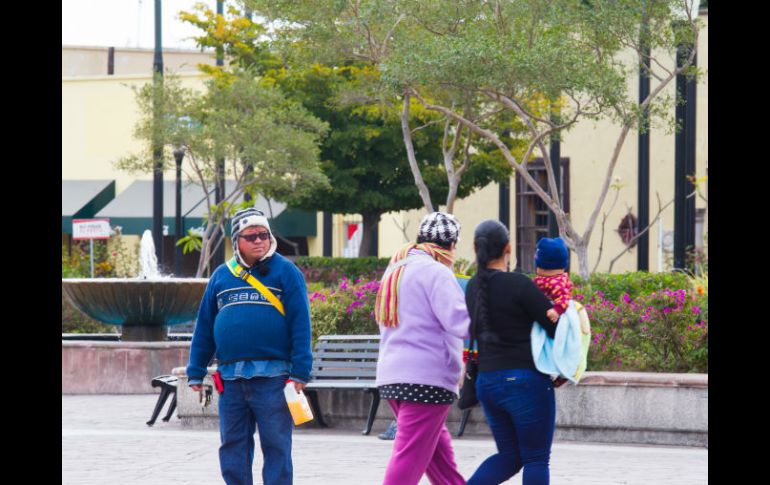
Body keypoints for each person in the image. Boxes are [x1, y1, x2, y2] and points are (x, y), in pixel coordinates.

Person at [186, 207, 312, 485]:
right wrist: (195, 370)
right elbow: (205, 326)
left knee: (277, 446)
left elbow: (301, 323)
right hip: (230, 380)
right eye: (251, 236)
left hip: (274, 379)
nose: (259, 240)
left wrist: (301, 371)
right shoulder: (221, 276)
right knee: (232, 446)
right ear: (236, 241)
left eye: (263, 235)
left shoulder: (286, 272)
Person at [374, 211, 470, 485]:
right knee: (409, 457)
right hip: (427, 379)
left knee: (438, 456)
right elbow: (460, 322)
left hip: (393, 376)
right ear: (451, 244)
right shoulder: (437, 272)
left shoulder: (395, 269)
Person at [465, 220, 559, 485]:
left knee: (510, 456)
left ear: (475, 247)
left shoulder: (473, 287)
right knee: (536, 458)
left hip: (488, 383)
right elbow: (555, 329)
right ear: (508, 248)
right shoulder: (519, 284)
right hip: (525, 383)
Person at [533, 237, 573, 324]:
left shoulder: (556, 282)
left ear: (543, 268)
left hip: (551, 316)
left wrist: (556, 311)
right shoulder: (545, 278)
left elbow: (564, 297)